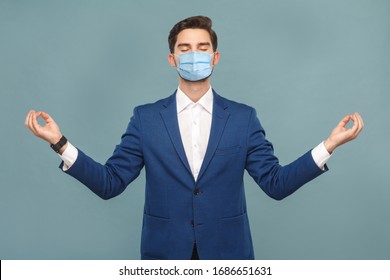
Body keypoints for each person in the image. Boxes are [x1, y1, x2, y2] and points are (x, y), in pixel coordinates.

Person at [25, 16, 364, 260]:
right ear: (172, 59)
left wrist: (328, 145)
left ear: (214, 58)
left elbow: (276, 184)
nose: (194, 54)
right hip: (163, 259)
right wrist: (60, 142)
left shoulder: (243, 118)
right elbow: (110, 183)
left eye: (202, 48)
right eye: (184, 48)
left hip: (229, 259)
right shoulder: (146, 119)